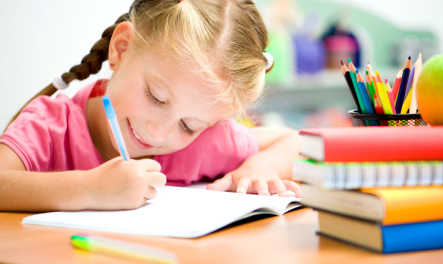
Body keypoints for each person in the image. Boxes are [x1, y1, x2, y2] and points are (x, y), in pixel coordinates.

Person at [0, 0, 302, 212]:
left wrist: (259, 168)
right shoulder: (49, 127)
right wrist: (90, 189)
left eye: (189, 126)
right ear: (121, 49)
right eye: (156, 97)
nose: (158, 134)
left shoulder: (201, 145)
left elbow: (291, 140)